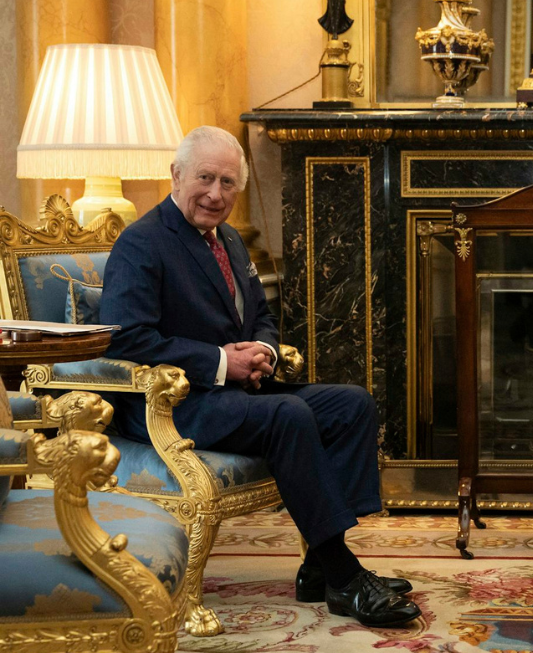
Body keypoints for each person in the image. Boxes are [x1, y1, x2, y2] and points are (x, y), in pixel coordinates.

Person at [100, 125, 421, 628]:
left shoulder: (228, 239)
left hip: (236, 392)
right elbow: (128, 339)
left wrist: (266, 351)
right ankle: (345, 575)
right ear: (177, 174)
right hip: (174, 404)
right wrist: (225, 362)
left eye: (229, 183)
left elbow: (262, 318)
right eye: (205, 178)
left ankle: (319, 567)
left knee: (352, 403)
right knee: (288, 413)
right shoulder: (141, 242)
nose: (215, 193)